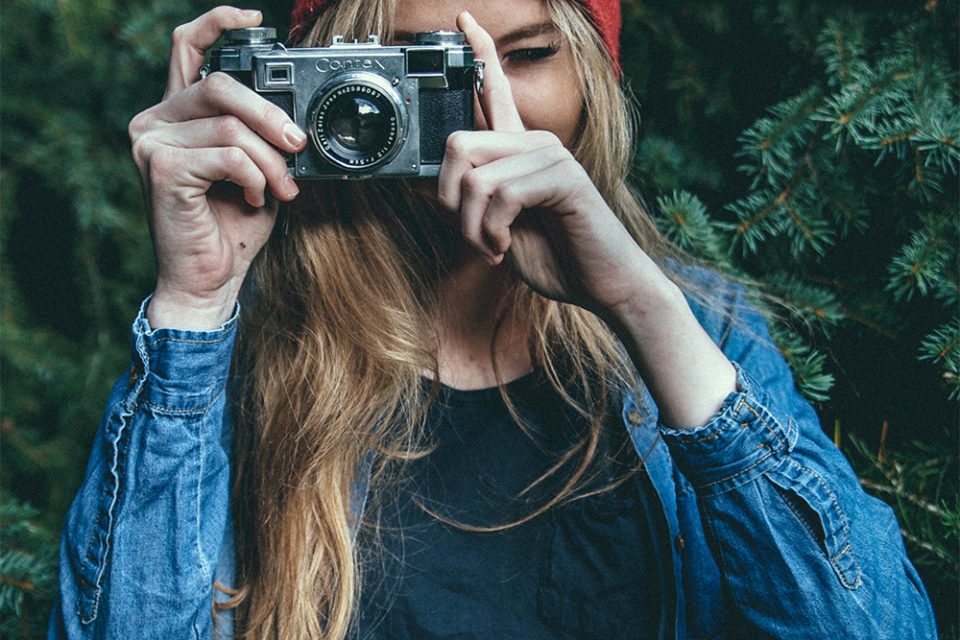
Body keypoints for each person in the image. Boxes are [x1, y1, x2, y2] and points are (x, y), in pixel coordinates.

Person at [50, 0, 937, 638]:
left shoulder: (698, 329)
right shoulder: (227, 354)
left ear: (592, 70)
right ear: (309, 87)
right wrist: (194, 310)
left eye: (524, 55)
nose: (480, 112)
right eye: (418, 67)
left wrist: (640, 306)